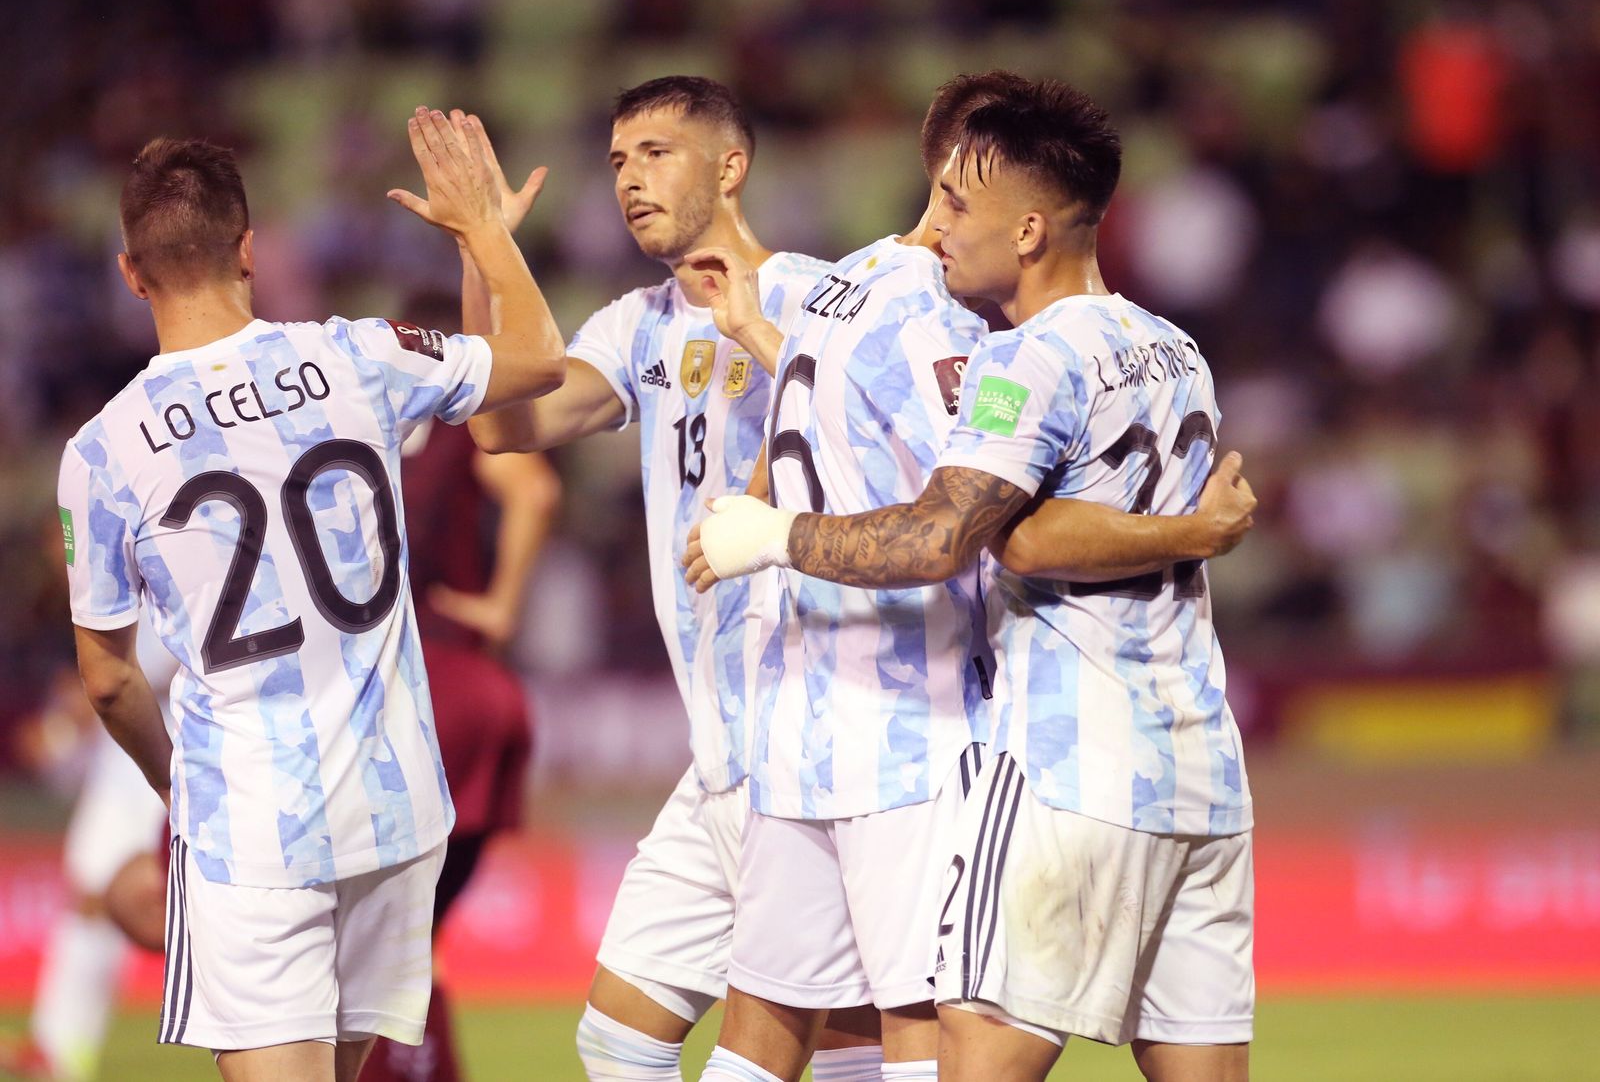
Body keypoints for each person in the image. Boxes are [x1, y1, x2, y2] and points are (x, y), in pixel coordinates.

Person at [681, 74, 1255, 1082]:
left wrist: (776, 535)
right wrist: (1191, 530)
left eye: (955, 206)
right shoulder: (1177, 351)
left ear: (1029, 230)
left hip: (1066, 769)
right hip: (1201, 770)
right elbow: (1034, 531)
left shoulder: (1019, 362)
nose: (932, 228)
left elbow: (952, 541)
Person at [55, 108, 566, 1082]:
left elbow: (110, 680)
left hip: (252, 825)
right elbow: (538, 358)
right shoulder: (359, 354)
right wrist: (483, 234)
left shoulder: (102, 452)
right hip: (395, 810)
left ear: (131, 273)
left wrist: (175, 788)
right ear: (249, 251)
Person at [460, 78, 888, 1082]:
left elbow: (881, 458)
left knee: (834, 1041)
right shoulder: (638, 324)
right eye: (616, 162)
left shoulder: (823, 300)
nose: (630, 179)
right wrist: (483, 243)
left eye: (655, 151)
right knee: (619, 1037)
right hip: (719, 752)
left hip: (813, 735)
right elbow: (501, 422)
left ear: (730, 167)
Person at [350, 290, 561, 1082]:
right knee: (411, 941)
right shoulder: (458, 416)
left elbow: (535, 491)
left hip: (412, 690)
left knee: (368, 950)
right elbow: (535, 492)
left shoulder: (360, 416)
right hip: (484, 693)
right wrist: (501, 608)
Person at [0, 606, 172, 1082]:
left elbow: (125, 673)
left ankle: (58, 1051)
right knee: (91, 895)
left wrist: (66, 721)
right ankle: (57, 1049)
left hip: (168, 750)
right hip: (132, 754)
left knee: (120, 896)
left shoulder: (172, 578)